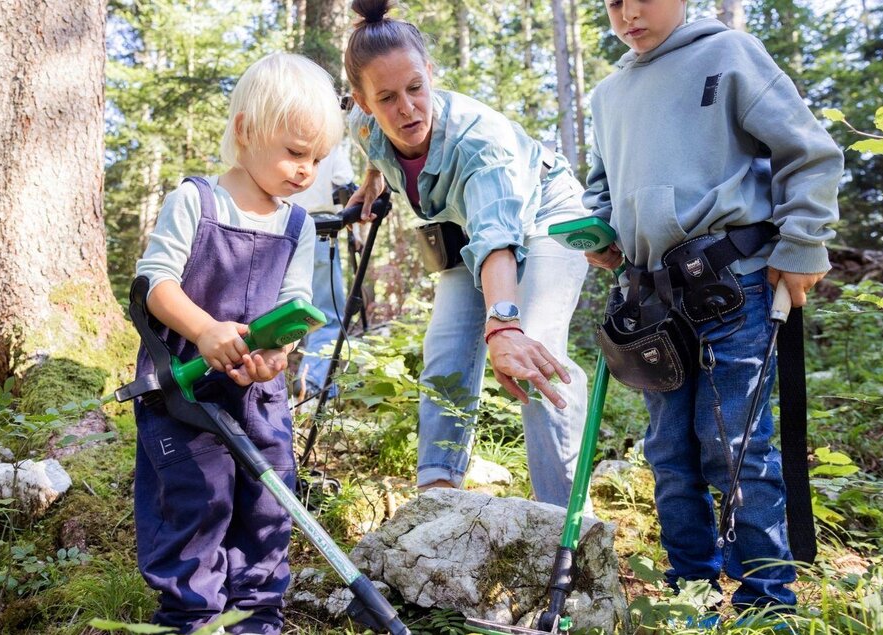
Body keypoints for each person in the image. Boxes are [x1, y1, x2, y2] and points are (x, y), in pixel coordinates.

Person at [582, 0, 842, 615]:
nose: (627, 13)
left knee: (736, 450)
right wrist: (600, 229)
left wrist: (803, 243)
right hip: (649, 303)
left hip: (734, 289)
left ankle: (768, 603)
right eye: (612, 2)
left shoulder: (727, 55)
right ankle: (691, 590)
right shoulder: (609, 93)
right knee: (669, 453)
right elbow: (601, 184)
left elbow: (809, 152)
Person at [342, 0, 591, 506]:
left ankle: (568, 519)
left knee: (534, 350)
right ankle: (438, 495)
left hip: (546, 216)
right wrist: (372, 182)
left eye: (416, 88)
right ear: (364, 102)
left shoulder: (482, 143)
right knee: (446, 353)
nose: (407, 108)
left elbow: (497, 234)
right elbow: (371, 146)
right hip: (466, 233)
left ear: (430, 74)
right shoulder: (364, 126)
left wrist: (503, 325)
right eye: (387, 97)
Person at [131, 52, 343, 634]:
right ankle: (192, 617)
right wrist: (203, 329)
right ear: (246, 129)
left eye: (317, 159)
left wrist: (278, 355)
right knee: (196, 502)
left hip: (259, 399)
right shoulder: (196, 202)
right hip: (184, 393)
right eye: (296, 152)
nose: (306, 171)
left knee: (269, 501)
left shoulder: (297, 226)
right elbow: (153, 283)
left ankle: (256, 616)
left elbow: (295, 307)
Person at [286, 141, 356, 402]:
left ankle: (323, 386)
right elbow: (345, 186)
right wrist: (355, 233)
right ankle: (313, 383)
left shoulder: (289, 142)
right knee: (327, 313)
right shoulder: (332, 146)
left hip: (287, 227)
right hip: (322, 231)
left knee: (295, 309)